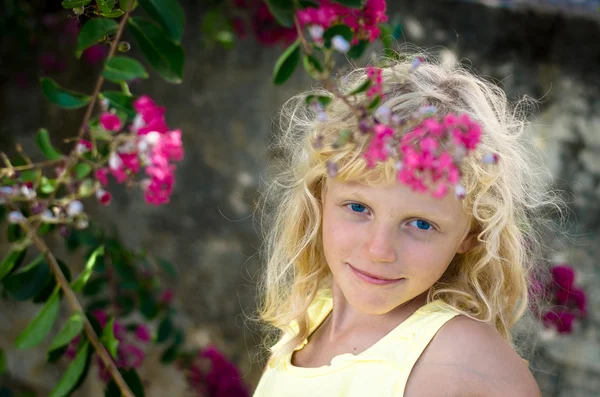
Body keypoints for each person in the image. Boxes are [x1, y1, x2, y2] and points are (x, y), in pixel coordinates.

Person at [252, 50, 562, 396]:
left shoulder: (463, 361)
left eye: (421, 224)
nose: (378, 250)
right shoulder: (305, 325)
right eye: (358, 207)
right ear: (321, 196)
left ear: (471, 234)